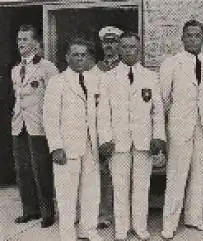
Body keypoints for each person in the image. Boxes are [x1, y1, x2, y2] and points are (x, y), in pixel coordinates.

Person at [97, 31, 166, 241]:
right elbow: (103, 112)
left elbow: (157, 110)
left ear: (139, 49)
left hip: (144, 141)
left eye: (132, 47)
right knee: (120, 186)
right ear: (118, 49)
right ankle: (121, 228)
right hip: (118, 142)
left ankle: (139, 226)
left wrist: (158, 137)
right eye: (124, 47)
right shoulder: (108, 78)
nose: (128, 51)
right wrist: (105, 139)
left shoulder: (150, 77)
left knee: (141, 185)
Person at [43, 37, 103, 241]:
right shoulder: (57, 82)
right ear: (67, 57)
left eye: (83, 55)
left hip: (90, 145)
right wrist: (56, 147)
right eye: (75, 55)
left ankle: (89, 230)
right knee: (66, 194)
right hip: (67, 147)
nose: (79, 59)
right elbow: (50, 119)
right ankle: (67, 234)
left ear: (88, 58)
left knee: (91, 191)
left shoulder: (94, 81)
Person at [160, 20, 203, 239]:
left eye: (197, 35)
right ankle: (169, 223)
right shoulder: (171, 63)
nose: (193, 39)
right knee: (176, 176)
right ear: (182, 38)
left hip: (202, 127)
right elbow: (163, 99)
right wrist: (163, 131)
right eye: (189, 35)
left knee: (200, 175)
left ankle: (194, 217)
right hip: (180, 126)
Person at [11, 24, 58, 228]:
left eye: (25, 39)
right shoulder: (15, 69)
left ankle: (48, 212)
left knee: (42, 170)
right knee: (23, 170)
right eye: (19, 39)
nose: (20, 43)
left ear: (36, 44)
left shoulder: (47, 68)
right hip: (19, 125)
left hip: (39, 125)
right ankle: (30, 210)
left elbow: (55, 98)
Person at [96, 25, 123, 229]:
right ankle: (104, 214)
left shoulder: (125, 69)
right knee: (103, 172)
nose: (109, 47)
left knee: (121, 173)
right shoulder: (95, 69)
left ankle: (122, 214)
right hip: (101, 127)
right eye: (106, 42)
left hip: (122, 127)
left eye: (113, 42)